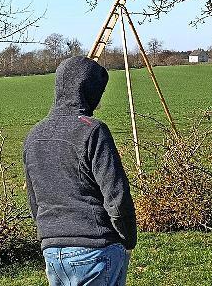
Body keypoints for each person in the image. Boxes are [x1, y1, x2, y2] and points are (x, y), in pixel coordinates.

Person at [24, 56, 137, 286]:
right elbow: (116, 196)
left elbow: (34, 200)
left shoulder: (34, 135)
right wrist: (128, 240)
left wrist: (50, 234)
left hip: (53, 252)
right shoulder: (93, 131)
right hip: (96, 249)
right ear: (87, 90)